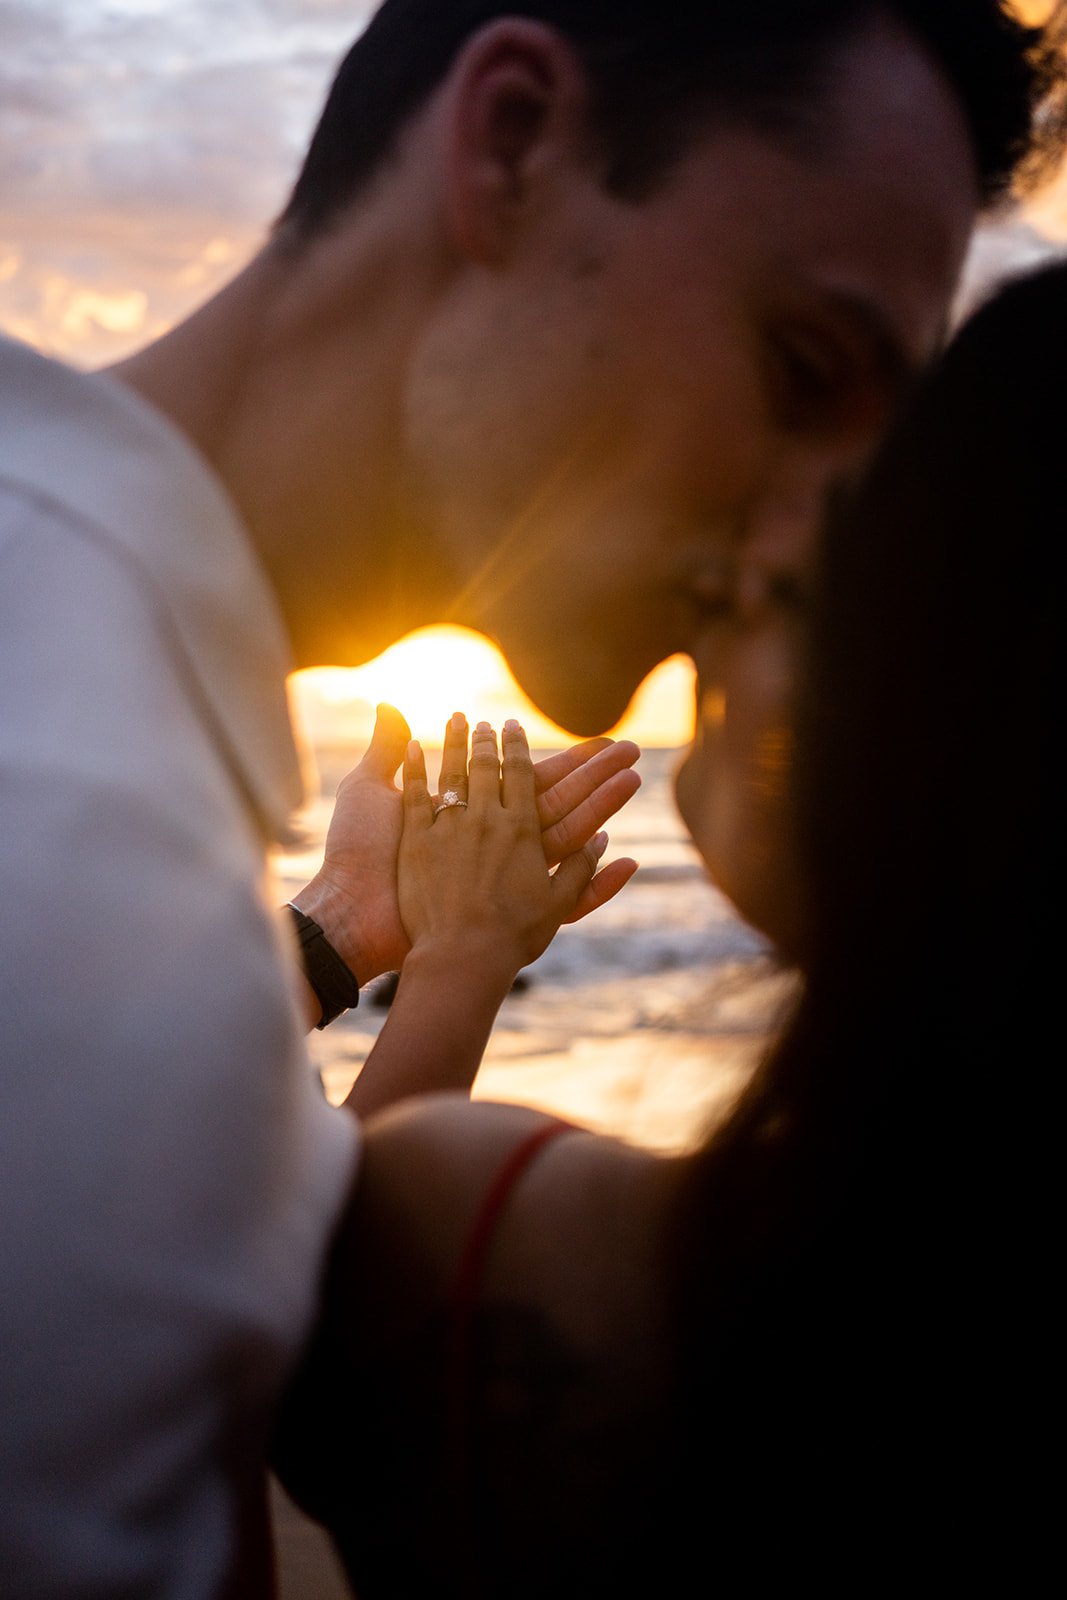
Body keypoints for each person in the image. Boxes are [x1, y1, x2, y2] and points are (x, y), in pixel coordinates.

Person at [0, 0, 1059, 1592]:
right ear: (506, 147)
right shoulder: (76, 829)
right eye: (798, 367)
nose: (794, 545)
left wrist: (344, 940)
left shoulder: (85, 745)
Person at [273, 253, 1067, 1595]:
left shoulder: (520, 1262)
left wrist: (430, 953)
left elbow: (256, 1311)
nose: (745, 569)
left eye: (834, 561)